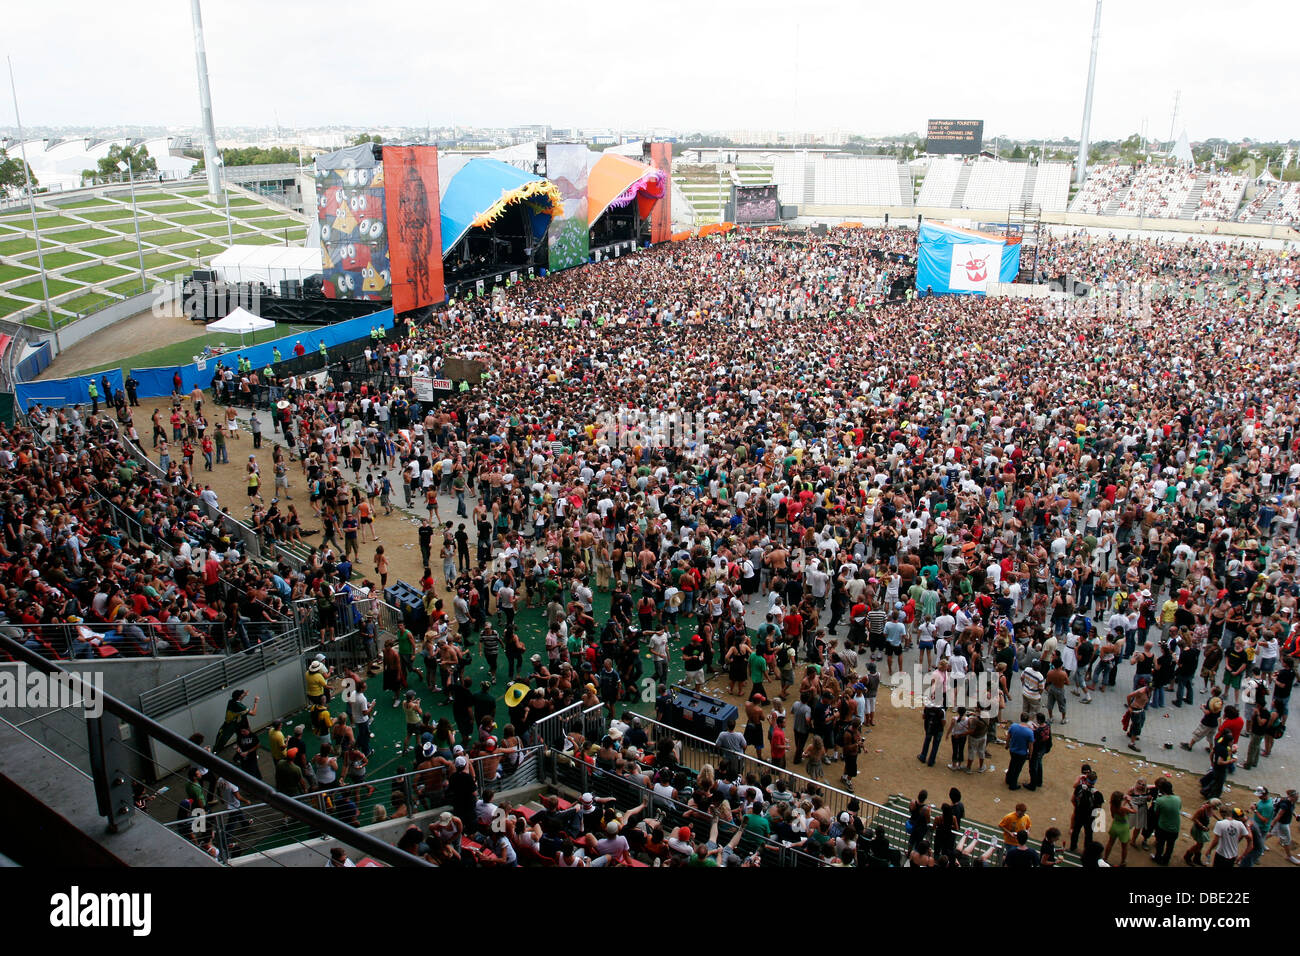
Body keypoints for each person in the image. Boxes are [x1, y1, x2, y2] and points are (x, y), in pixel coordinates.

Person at [1149, 778, 1182, 865]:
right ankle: (1166, 861)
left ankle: (1158, 858)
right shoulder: (1178, 799)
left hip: (1163, 826)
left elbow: (1157, 812)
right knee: (1170, 846)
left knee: (1160, 844)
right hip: (1175, 827)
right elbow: (1179, 809)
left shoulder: (1160, 800)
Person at [1004, 712, 1034, 790]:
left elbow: (1008, 737)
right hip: (1022, 753)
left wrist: (1007, 745)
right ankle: (1013, 784)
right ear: (1028, 720)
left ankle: (1008, 779)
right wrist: (1030, 754)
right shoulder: (1029, 732)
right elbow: (1031, 745)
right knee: (1017, 769)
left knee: (1012, 764)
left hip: (1013, 750)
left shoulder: (1014, 726)